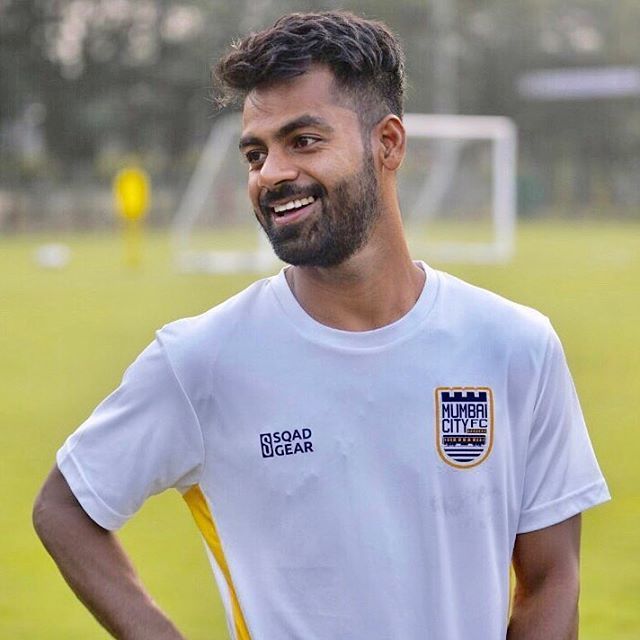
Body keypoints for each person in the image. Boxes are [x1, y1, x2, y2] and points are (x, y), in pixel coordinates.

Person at [33, 11, 610, 640]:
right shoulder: (201, 359)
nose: (271, 173)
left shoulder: (516, 346)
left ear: (388, 143)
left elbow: (552, 578)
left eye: (303, 141)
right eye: (256, 153)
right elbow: (65, 507)